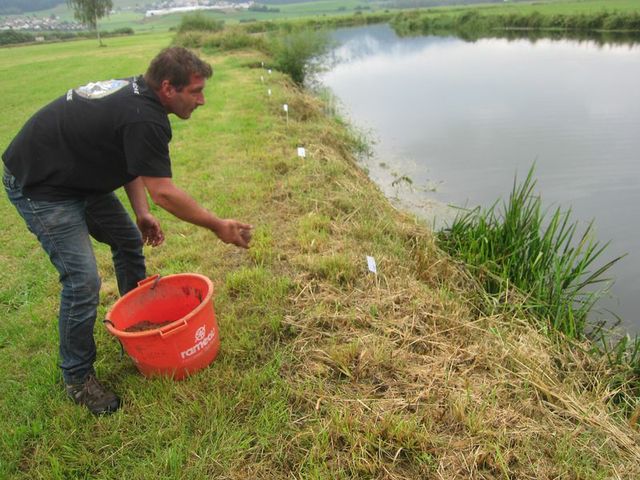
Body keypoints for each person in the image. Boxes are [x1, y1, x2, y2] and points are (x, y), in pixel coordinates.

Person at [2, 47, 252, 415]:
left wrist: (141, 212)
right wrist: (218, 226)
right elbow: (165, 192)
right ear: (167, 88)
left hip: (76, 175)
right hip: (41, 184)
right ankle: (77, 377)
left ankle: (136, 330)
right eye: (195, 91)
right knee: (82, 281)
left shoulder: (140, 100)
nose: (202, 100)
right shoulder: (144, 116)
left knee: (128, 240)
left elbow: (130, 159)